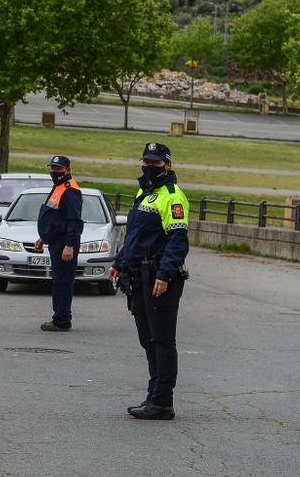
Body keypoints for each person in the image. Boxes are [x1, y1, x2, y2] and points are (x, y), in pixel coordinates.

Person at [108, 142, 190, 421]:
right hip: (139, 277)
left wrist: (165, 274)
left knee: (161, 340)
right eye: (146, 161)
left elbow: (178, 242)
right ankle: (153, 395)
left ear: (167, 164)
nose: (149, 166)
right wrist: (119, 263)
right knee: (148, 340)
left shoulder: (172, 196)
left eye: (155, 163)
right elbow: (135, 237)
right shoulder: (144, 193)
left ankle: (163, 402)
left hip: (159, 278)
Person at [32, 155, 83, 332]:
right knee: (59, 281)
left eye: (59, 169)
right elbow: (55, 217)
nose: (55, 172)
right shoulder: (59, 187)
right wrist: (44, 237)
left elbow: (73, 221)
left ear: (68, 170)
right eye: (53, 168)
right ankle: (60, 318)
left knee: (63, 282)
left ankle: (61, 320)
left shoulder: (70, 191)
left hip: (64, 244)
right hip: (56, 241)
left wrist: (69, 245)